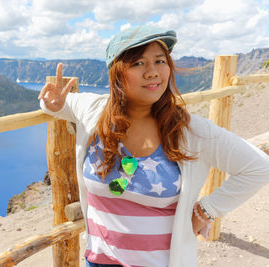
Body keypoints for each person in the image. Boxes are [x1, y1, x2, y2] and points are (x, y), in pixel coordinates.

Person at [38, 25, 269, 267]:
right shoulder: (95, 111)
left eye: (160, 61)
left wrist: (207, 210)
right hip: (97, 261)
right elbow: (57, 104)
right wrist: (50, 105)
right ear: (117, 72)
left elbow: (259, 167)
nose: (152, 72)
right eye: (138, 63)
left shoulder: (190, 130)